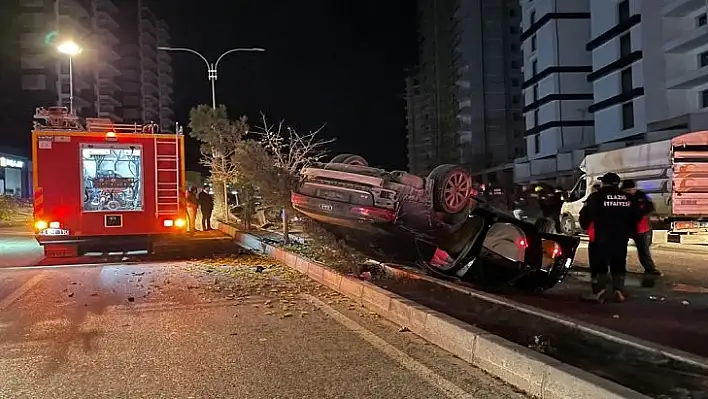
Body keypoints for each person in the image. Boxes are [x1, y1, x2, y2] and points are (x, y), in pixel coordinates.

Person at [579, 172, 642, 303]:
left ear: (604, 183)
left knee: (599, 265)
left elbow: (585, 216)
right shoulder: (628, 198)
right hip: (621, 238)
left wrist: (585, 225)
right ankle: (618, 290)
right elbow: (637, 216)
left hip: (601, 238)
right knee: (618, 263)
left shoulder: (596, 197)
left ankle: (599, 292)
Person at [621, 179, 661, 276]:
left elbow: (650, 207)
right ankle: (620, 269)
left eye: (632, 189)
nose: (630, 192)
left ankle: (650, 269)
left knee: (644, 250)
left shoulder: (641, 195)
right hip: (624, 227)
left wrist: (642, 213)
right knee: (620, 250)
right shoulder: (620, 197)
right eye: (627, 190)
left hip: (641, 228)